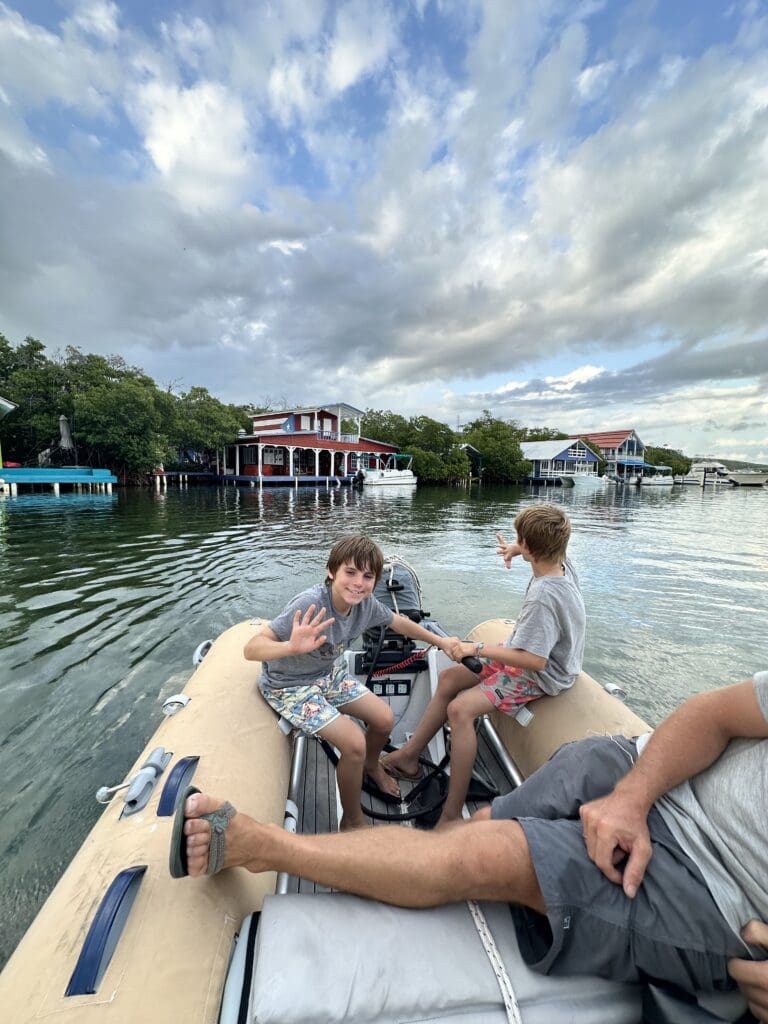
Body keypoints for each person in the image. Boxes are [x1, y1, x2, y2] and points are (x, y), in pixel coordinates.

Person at [173, 671, 768, 1010]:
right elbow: (716, 713)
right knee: (485, 815)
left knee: (484, 849)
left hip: (709, 881)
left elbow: (537, 656)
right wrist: (634, 796)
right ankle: (433, 813)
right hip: (649, 773)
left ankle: (264, 847)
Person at [381, 503, 584, 825]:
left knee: (460, 710)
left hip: (542, 674)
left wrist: (475, 648)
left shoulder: (543, 597)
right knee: (449, 680)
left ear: (533, 547)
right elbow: (540, 548)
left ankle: (451, 816)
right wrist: (518, 549)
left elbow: (535, 660)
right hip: (528, 651)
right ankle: (408, 757)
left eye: (521, 541)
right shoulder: (560, 563)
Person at [243, 534, 457, 830]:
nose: (359, 583)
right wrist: (289, 647)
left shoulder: (365, 605)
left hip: (328, 675)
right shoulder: (309, 603)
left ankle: (371, 765)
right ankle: (353, 821)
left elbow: (398, 622)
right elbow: (251, 648)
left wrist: (441, 641)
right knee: (354, 742)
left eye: (368, 576)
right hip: (289, 686)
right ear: (332, 571)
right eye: (351, 572)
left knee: (383, 718)